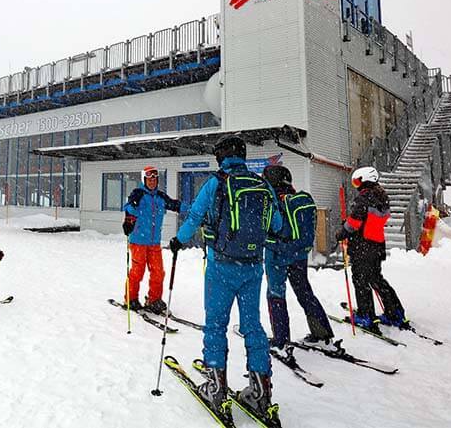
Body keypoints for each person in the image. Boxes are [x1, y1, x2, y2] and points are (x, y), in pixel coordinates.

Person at [168, 135, 282, 420]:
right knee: (253, 326)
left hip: (221, 265)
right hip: (254, 266)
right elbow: (277, 225)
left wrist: (178, 241)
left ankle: (216, 389)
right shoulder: (262, 184)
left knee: (216, 324)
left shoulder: (216, 183)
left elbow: (194, 218)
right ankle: (260, 391)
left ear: (222, 157)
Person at [261, 165, 334, 352]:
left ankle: (281, 340)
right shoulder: (298, 200)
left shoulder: (272, 201)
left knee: (276, 295)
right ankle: (322, 335)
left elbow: (272, 227)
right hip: (299, 255)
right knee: (305, 293)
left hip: (277, 254)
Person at [336, 166, 406, 333]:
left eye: (357, 181)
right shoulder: (382, 196)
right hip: (376, 246)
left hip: (363, 246)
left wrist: (341, 232)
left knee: (360, 281)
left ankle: (366, 316)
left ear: (365, 179)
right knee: (376, 279)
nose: (356, 185)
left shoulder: (364, 197)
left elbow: (355, 222)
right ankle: (394, 312)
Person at [122, 165, 181, 315]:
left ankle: (154, 300)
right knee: (137, 272)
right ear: (144, 180)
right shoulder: (138, 194)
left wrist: (195, 210)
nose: (152, 182)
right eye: (149, 179)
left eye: (155, 179)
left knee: (158, 272)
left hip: (154, 242)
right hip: (138, 241)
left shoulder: (161, 197)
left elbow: (175, 205)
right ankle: (131, 298)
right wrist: (131, 213)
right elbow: (128, 208)